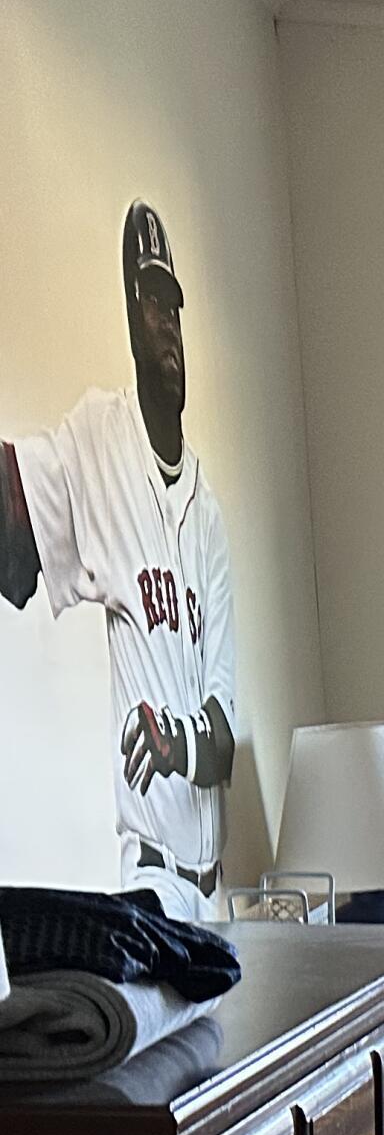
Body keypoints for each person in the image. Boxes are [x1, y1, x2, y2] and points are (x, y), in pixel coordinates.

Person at [0, 201, 238, 918]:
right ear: (130, 325)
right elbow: (15, 513)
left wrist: (174, 743)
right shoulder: (101, 439)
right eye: (147, 305)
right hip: (152, 881)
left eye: (171, 307)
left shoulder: (210, 515)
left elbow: (223, 742)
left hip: (216, 889)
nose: (164, 325)